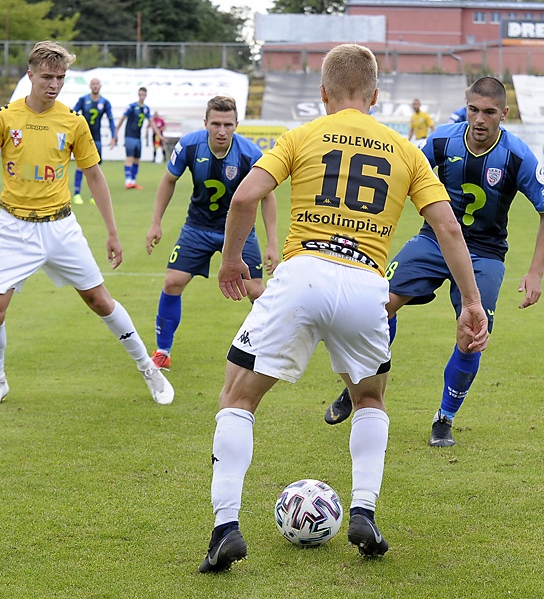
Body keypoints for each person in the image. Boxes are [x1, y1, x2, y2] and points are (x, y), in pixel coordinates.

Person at [198, 43, 489, 573]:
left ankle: (225, 529)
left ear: (324, 93)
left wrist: (232, 263)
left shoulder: (302, 135)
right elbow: (448, 227)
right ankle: (364, 512)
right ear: (375, 95)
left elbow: (244, 198)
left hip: (302, 273)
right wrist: (471, 301)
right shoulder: (405, 148)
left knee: (238, 396)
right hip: (365, 286)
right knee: (370, 398)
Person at [323, 76, 544, 448]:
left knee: (472, 336)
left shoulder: (517, 156)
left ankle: (444, 419)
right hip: (433, 242)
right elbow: (399, 170)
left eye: (489, 112)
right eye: (473, 110)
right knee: (376, 307)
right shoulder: (442, 140)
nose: (479, 119)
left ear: (504, 114)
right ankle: (359, 386)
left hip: (484, 254)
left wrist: (535, 273)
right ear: (466, 107)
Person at [0, 41, 174, 408]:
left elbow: (94, 176)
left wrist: (112, 231)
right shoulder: (4, 117)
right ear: (30, 75)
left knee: (100, 300)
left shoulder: (73, 121)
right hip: (14, 228)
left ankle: (148, 369)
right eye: (47, 76)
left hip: (61, 227)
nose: (54, 84)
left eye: (60, 77)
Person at [145, 95, 278, 371]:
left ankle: (266, 350)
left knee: (256, 290)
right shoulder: (189, 145)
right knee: (173, 281)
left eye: (228, 124)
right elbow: (168, 180)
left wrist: (272, 244)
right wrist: (156, 222)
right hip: (198, 227)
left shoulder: (250, 153)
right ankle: (162, 351)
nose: (221, 130)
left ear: (236, 125)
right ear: (205, 123)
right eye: (215, 123)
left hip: (239, 231)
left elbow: (268, 196)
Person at [72, 77, 115, 205]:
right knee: (80, 166)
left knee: (95, 168)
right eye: (93, 84)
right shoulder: (83, 100)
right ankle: (76, 194)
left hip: (97, 138)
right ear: (90, 86)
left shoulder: (105, 102)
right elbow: (73, 115)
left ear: (100, 86)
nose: (95, 86)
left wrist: (113, 136)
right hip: (83, 138)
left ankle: (93, 196)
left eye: (97, 84)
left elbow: (111, 120)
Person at [110, 87, 163, 190]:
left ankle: (133, 181)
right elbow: (122, 119)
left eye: (144, 95)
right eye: (140, 94)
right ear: (138, 95)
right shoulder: (132, 107)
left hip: (138, 137)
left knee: (137, 159)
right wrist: (115, 134)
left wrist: (159, 135)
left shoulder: (146, 108)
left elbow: (152, 122)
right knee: (129, 158)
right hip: (129, 136)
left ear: (146, 95)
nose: (142, 97)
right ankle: (128, 181)